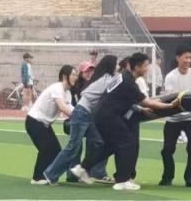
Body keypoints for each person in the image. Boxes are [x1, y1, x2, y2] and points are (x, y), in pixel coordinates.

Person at [72, 53, 181, 191]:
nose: (147, 69)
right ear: (137, 67)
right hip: (109, 117)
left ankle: (82, 168)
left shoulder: (123, 76)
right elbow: (148, 102)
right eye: (146, 65)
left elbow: (134, 100)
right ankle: (123, 181)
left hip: (101, 116)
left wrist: (147, 106)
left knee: (110, 146)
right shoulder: (128, 82)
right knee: (128, 142)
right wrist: (170, 106)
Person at [44, 56, 117, 184]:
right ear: (111, 66)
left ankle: (83, 170)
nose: (118, 67)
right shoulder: (107, 80)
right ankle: (51, 174)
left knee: (99, 143)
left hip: (86, 114)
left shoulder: (104, 79)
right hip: (82, 113)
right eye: (116, 64)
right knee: (73, 147)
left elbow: (85, 93)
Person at [159, 46, 191, 188]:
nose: (188, 60)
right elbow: (170, 96)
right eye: (185, 57)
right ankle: (167, 177)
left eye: (190, 58)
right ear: (178, 58)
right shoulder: (170, 76)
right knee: (167, 150)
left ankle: (190, 179)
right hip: (173, 117)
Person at [25, 65, 76, 185]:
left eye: (76, 75)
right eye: (73, 74)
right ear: (65, 76)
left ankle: (47, 176)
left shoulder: (67, 93)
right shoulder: (57, 88)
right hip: (34, 121)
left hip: (44, 124)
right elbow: (63, 107)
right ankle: (37, 178)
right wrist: (80, 117)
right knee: (46, 148)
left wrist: (82, 115)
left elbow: (71, 109)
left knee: (56, 150)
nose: (76, 77)